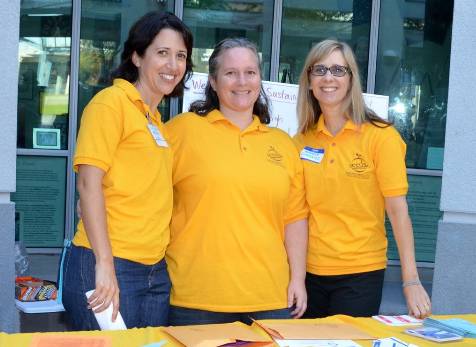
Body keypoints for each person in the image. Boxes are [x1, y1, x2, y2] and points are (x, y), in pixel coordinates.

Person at [62, 11, 193, 330]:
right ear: (137, 55)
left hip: (153, 271)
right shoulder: (111, 104)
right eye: (162, 53)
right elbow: (88, 185)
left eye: (180, 56)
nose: (173, 65)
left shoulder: (154, 119)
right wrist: (104, 266)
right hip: (109, 265)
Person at [164, 38, 309, 325]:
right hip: (196, 298)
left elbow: (295, 219)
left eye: (250, 72)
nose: (241, 81)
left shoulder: (283, 145)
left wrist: (298, 279)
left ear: (259, 79)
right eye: (230, 73)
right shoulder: (182, 131)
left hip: (271, 299)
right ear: (214, 83)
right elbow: (142, 182)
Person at [294, 39, 431, 319]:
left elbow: (397, 212)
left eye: (338, 70)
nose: (328, 77)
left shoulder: (381, 137)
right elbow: (295, 213)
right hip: (309, 274)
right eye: (319, 70)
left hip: (360, 274)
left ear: (351, 79)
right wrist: (294, 276)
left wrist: (411, 281)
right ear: (309, 81)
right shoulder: (300, 141)